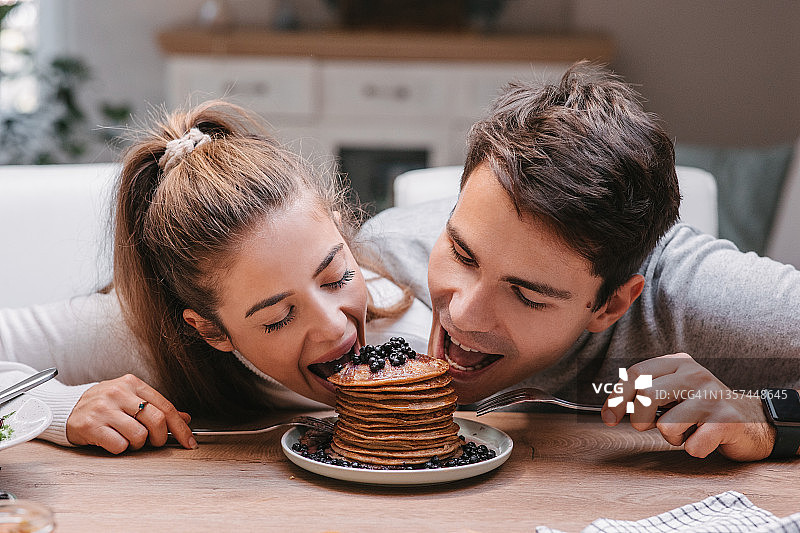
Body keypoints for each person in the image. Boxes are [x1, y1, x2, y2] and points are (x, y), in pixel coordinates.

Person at [358, 61, 800, 461]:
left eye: (527, 295)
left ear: (610, 305)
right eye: (462, 254)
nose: (462, 313)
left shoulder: (699, 295)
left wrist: (766, 418)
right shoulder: (380, 258)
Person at [0, 100, 432, 454]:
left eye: (336, 277)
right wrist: (60, 406)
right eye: (279, 317)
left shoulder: (425, 327)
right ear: (209, 329)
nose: (335, 325)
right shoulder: (132, 336)